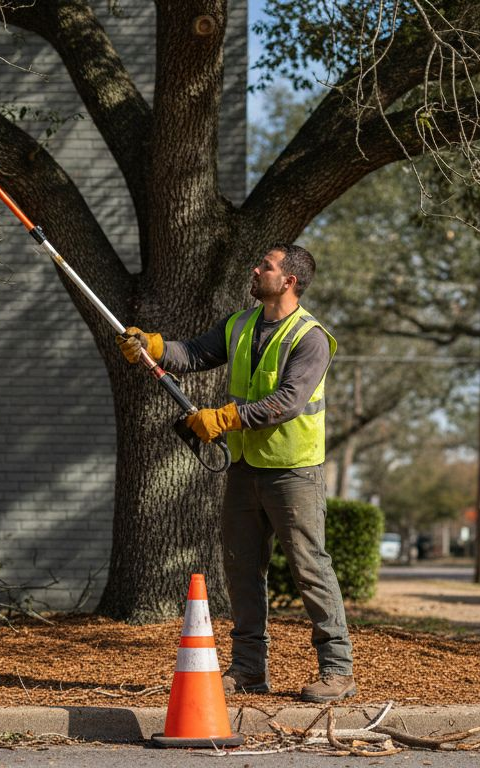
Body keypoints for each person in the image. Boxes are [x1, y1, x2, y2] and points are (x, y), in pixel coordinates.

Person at [116, 243, 356, 703]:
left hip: (294, 473)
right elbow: (195, 354)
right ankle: (248, 670)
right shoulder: (241, 324)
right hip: (245, 470)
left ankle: (338, 671)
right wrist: (154, 346)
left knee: (310, 569)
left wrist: (223, 418)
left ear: (289, 281)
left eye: (265, 265)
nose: (256, 268)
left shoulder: (311, 337)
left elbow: (287, 401)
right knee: (242, 569)